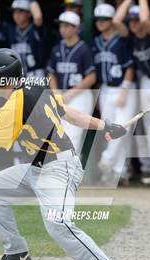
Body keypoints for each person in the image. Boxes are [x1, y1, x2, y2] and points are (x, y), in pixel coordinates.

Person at [0, 48, 130, 260]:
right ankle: (16, 253)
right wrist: (105, 125)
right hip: (37, 168)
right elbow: (69, 114)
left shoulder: (13, 107)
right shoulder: (35, 86)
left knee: (58, 224)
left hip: (59, 169)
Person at [114, 0, 150, 185]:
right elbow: (117, 21)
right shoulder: (132, 37)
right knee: (148, 128)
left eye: (135, 20)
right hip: (145, 83)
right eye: (131, 20)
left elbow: (145, 20)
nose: (133, 23)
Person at [91, 3, 135, 185]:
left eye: (105, 19)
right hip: (106, 89)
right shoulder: (96, 42)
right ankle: (119, 171)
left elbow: (130, 67)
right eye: (98, 20)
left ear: (111, 21)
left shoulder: (121, 39)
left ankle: (108, 160)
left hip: (123, 88)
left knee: (123, 127)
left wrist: (124, 90)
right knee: (111, 129)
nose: (101, 23)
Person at [47, 11, 96, 156]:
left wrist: (70, 93)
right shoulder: (57, 48)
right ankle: (67, 174)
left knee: (73, 135)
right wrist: (56, 92)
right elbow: (51, 73)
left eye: (67, 26)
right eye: (62, 25)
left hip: (79, 95)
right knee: (60, 136)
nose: (63, 28)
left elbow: (91, 77)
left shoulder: (84, 49)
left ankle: (70, 175)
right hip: (61, 95)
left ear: (76, 28)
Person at [3, 0, 46, 78]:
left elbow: (38, 17)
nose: (16, 15)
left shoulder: (35, 29)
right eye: (15, 12)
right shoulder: (10, 30)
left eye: (20, 12)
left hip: (35, 75)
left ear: (29, 14)